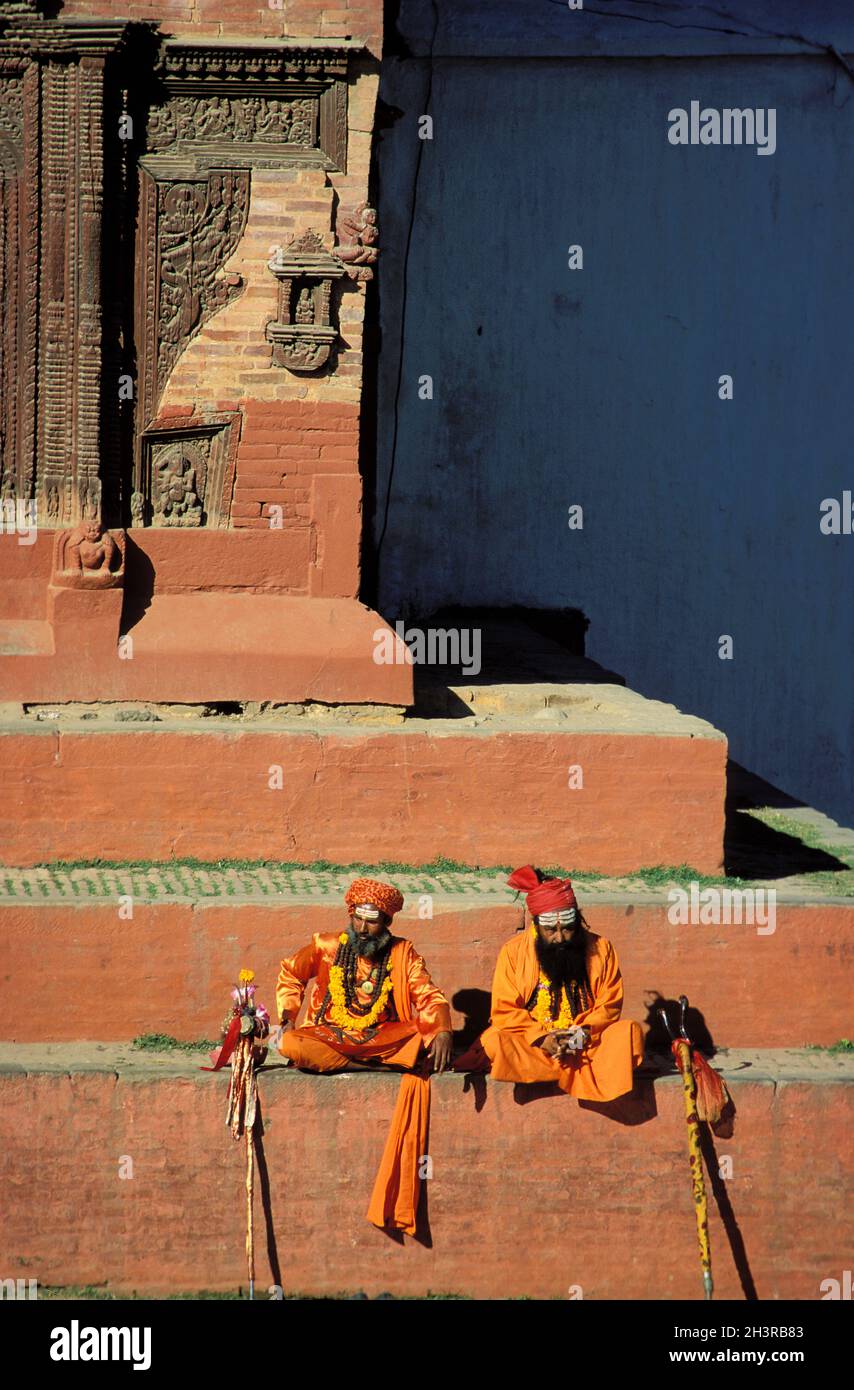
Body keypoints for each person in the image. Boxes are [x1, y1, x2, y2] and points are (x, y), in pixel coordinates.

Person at [275, 877, 452, 1234]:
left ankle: (373, 1060)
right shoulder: (326, 945)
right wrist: (285, 1016)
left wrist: (443, 1028)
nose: (363, 927)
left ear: (387, 922)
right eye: (358, 918)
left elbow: (428, 995)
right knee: (291, 1044)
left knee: (420, 1037)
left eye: (373, 920)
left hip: (382, 1036)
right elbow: (291, 974)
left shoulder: (403, 953)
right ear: (350, 914)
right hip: (329, 1034)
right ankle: (365, 1064)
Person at [455, 865, 644, 1101]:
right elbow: (504, 1010)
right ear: (536, 924)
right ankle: (561, 1071)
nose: (560, 938)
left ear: (578, 921)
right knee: (495, 1042)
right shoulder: (513, 952)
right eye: (550, 930)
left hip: (585, 1046)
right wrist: (543, 1038)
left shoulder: (601, 949)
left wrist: (582, 1034)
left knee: (628, 1033)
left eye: (567, 929)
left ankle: (560, 1070)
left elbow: (610, 1005)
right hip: (535, 1046)